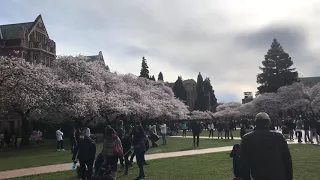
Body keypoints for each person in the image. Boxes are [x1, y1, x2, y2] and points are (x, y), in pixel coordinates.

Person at [241, 112, 293, 180]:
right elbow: (287, 159)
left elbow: (244, 164)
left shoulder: (247, 138)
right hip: (279, 175)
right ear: (269, 122)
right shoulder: (279, 136)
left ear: (255, 123)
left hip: (259, 176)